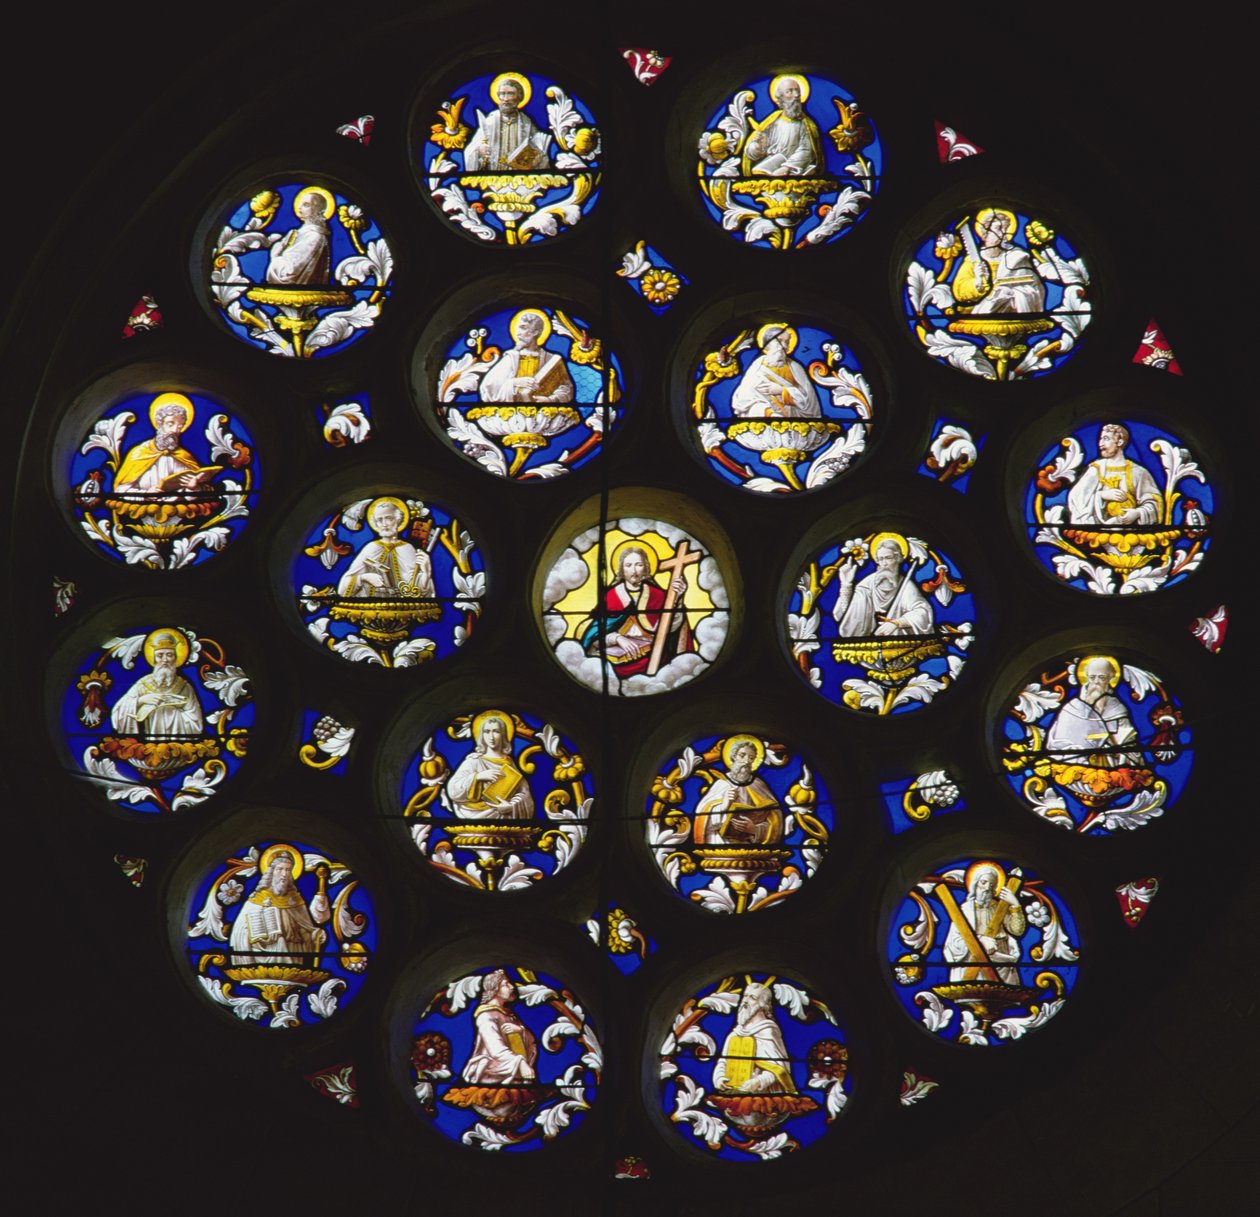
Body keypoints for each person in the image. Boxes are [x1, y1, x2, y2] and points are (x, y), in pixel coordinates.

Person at [580, 544, 692, 677]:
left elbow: (670, 628)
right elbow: (594, 635)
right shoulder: (610, 596)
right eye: (628, 565)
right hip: (613, 665)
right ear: (621, 569)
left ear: (646, 568)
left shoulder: (658, 595)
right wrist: (617, 638)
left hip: (654, 658)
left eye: (639, 565)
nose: (634, 570)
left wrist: (677, 599)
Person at [110, 396, 219, 530]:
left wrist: (193, 488)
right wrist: (145, 495)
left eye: (180, 426)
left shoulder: (185, 456)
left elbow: (203, 494)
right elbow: (120, 490)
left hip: (181, 520)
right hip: (139, 518)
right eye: (170, 424)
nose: (175, 430)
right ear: (159, 424)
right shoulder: (139, 453)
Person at [228, 850, 329, 968]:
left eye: (288, 870)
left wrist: (315, 934)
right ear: (271, 872)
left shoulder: (295, 900)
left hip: (293, 954)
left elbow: (306, 930)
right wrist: (260, 936)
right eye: (280, 869)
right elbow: (239, 931)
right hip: (262, 953)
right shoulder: (257, 898)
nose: (284, 874)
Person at [1046, 656, 1144, 768]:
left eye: (1102, 678)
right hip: (1071, 766)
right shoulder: (1071, 708)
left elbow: (1129, 745)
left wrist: (1114, 746)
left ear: (1110, 678)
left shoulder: (1116, 708)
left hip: (1108, 766)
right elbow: (1056, 743)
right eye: (1092, 677)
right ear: (1086, 677)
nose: (1096, 682)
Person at [942, 864, 1026, 985]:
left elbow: (1017, 931)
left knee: (1002, 993)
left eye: (992, 885)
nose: (987, 888)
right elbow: (953, 941)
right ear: (975, 884)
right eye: (983, 882)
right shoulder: (965, 910)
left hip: (1000, 957)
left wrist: (1015, 904)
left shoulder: (1000, 908)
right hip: (972, 959)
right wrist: (980, 941)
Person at [1066, 423, 1162, 529]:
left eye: (1106, 439)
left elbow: (1154, 503)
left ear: (1120, 442)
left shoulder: (1138, 472)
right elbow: (1076, 497)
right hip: (1099, 533)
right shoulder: (1096, 469)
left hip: (1132, 533)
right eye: (1100, 439)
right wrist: (1101, 495)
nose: (1100, 443)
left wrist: (1137, 513)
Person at [110, 630, 204, 737]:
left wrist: (170, 711)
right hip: (148, 740)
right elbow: (118, 713)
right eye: (160, 655)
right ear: (154, 659)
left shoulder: (184, 687)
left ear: (175, 658)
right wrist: (141, 700)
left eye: (169, 655)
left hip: (178, 740)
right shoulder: (143, 684)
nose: (165, 660)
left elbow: (195, 721)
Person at [833, 537, 933, 637]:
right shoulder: (866, 585)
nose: (884, 563)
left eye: (888, 558)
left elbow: (922, 612)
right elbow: (844, 616)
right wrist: (846, 585)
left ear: (898, 559)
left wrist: (897, 623)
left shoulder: (905, 586)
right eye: (881, 559)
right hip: (867, 643)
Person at [952, 208, 1046, 315]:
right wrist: (978, 282)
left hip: (1015, 314)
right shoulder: (972, 260)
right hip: (981, 316)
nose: (1004, 233)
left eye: (1006, 229)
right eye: (999, 228)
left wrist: (1014, 294)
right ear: (985, 231)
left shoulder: (1017, 256)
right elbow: (959, 292)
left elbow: (1036, 288)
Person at [693, 736, 783, 847]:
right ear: (733, 756)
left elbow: (775, 821)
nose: (746, 761)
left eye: (751, 758)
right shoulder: (722, 784)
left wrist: (755, 829)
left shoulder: (758, 785)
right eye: (742, 755)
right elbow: (702, 821)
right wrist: (723, 806)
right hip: (722, 846)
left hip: (752, 848)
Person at [443, 713, 535, 820]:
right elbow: (453, 790)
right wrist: (478, 777)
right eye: (487, 731)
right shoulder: (474, 761)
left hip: (505, 820)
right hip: (472, 817)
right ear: (481, 735)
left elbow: (525, 794)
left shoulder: (509, 763)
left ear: (503, 735)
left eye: (496, 731)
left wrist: (511, 806)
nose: (491, 737)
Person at [337, 499, 434, 599]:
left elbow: (418, 590)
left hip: (403, 606)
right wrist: (364, 578)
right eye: (379, 520)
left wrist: (426, 572)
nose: (384, 524)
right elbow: (343, 590)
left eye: (389, 518)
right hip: (372, 605)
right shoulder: (370, 548)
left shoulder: (407, 549)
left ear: (398, 520)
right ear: (375, 523)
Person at [712, 983, 795, 1094]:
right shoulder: (735, 1033)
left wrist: (758, 1081)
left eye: (752, 997)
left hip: (762, 1095)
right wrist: (719, 1078)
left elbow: (779, 1069)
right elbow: (723, 1061)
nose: (745, 1000)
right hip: (733, 1091)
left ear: (763, 1004)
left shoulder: (768, 1031)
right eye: (745, 995)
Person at [461, 969, 539, 1087]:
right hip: (492, 1077)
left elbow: (531, 1042)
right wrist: (520, 1063)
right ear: (495, 989)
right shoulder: (486, 1015)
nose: (512, 987)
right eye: (506, 984)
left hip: (516, 1074)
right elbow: (496, 1049)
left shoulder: (509, 1015)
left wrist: (521, 1031)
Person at [478, 310, 574, 404]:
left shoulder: (551, 359)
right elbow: (488, 386)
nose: (518, 333)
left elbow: (566, 388)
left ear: (535, 332)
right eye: (518, 328)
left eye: (523, 328)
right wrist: (514, 382)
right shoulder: (512, 357)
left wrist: (551, 400)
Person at [730, 325, 822, 419]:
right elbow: (743, 399)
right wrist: (769, 413)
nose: (784, 346)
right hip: (765, 421)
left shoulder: (795, 368)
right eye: (779, 341)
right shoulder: (757, 367)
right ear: (768, 343)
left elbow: (809, 402)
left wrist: (781, 390)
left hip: (794, 420)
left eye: (787, 342)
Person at [466, 75, 550, 172]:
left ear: (519, 97)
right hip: (494, 175)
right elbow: (471, 150)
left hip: (520, 176)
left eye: (510, 94)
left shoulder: (527, 123)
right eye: (502, 94)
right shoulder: (490, 122)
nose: (505, 99)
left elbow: (539, 152)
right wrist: (479, 151)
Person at [742, 76, 823, 177]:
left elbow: (807, 151)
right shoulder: (771, 122)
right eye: (789, 91)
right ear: (781, 97)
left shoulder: (806, 125)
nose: (796, 95)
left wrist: (787, 167)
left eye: (797, 91)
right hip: (770, 167)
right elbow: (753, 155)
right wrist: (757, 146)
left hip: (795, 169)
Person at [265, 189, 332, 286]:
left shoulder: (314, 236)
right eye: (300, 204)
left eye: (306, 205)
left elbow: (290, 271)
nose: (300, 207)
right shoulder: (299, 232)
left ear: (317, 209)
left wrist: (275, 256)